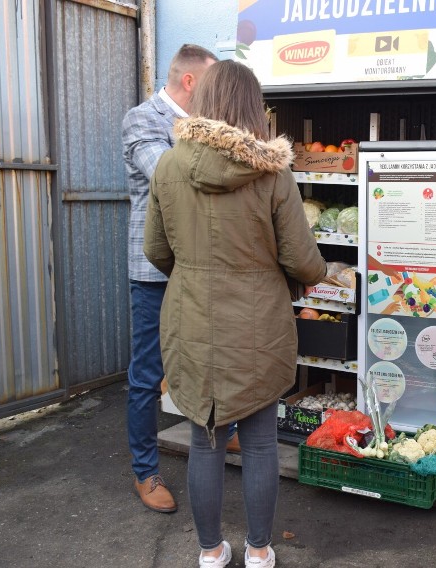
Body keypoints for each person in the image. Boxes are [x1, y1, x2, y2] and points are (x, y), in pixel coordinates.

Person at [143, 60, 326, 568]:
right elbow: (303, 262)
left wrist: (194, 273)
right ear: (253, 107)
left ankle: (209, 552)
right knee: (262, 443)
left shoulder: (168, 165)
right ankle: (261, 551)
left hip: (191, 321)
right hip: (259, 325)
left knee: (206, 442)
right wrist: (316, 269)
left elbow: (157, 250)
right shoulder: (272, 172)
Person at [121, 43, 221, 514]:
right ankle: (145, 470)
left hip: (199, 266)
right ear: (190, 82)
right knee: (147, 374)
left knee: (209, 358)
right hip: (153, 271)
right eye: (213, 84)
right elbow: (166, 175)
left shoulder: (203, 128)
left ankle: (224, 432)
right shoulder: (143, 120)